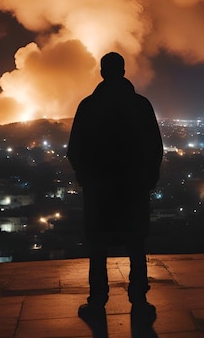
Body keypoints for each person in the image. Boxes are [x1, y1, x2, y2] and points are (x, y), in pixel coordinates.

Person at [67, 52, 163, 322]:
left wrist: (86, 178)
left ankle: (97, 300)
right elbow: (155, 147)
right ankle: (139, 298)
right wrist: (148, 178)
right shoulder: (141, 105)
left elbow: (74, 149)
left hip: (99, 190)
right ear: (123, 71)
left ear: (101, 73)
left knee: (98, 246)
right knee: (135, 243)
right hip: (133, 188)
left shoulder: (88, 106)